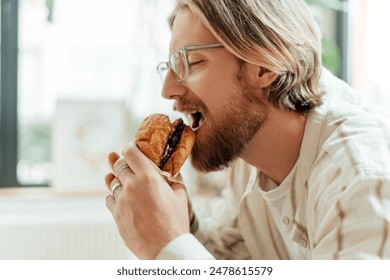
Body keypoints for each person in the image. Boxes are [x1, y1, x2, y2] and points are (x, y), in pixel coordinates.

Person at [104, 0, 390, 259]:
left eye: (191, 63)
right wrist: (179, 222)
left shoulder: (359, 178)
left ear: (265, 66)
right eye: (169, 67)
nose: (167, 90)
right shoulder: (249, 147)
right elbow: (234, 253)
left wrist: (169, 243)